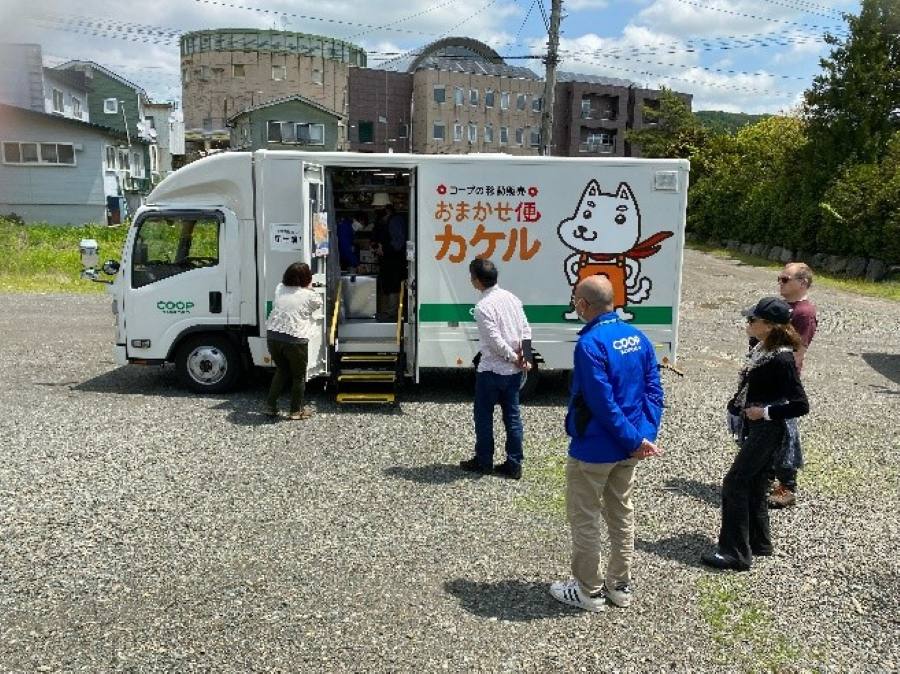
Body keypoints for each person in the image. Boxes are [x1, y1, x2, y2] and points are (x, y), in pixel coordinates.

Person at [549, 275, 664, 613]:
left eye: (575, 301)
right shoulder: (638, 337)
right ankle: (620, 586)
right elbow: (654, 391)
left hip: (596, 447)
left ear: (583, 305)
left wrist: (634, 439)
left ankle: (589, 591)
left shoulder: (590, 344)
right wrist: (644, 437)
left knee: (585, 518)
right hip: (630, 448)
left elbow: (602, 403)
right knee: (621, 514)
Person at [701, 297, 809, 571]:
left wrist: (766, 412)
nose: (747, 323)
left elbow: (801, 404)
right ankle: (759, 542)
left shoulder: (782, 358)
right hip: (756, 428)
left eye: (752, 320)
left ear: (770, 326)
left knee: (735, 483)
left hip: (768, 430)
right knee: (756, 483)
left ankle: (734, 553)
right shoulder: (762, 349)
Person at [459, 258, 532, 480]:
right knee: (512, 416)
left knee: (483, 416)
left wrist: (512, 357)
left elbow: (494, 341)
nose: (471, 280)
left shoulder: (483, 307)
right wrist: (525, 357)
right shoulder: (512, 298)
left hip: (491, 369)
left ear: (478, 281)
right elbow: (526, 329)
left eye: (472, 276)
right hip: (513, 373)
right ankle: (514, 463)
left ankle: (484, 461)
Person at [768, 262, 818, 508]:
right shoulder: (786, 308)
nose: (780, 282)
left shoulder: (803, 313)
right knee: (766, 431)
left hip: (783, 383)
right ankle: (767, 478)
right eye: (779, 278)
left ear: (803, 283)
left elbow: (799, 350)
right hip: (768, 377)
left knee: (786, 435)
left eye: (785, 279)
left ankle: (787, 487)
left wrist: (780, 377)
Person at [263, 262, 323, 420]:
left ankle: (270, 406)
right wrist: (310, 288)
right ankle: (296, 411)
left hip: (273, 336)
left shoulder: (279, 289)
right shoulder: (309, 295)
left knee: (281, 371)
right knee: (298, 377)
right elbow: (318, 304)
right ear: (307, 278)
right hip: (295, 340)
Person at [373, 203, 408, 321]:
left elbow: (398, 242)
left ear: (387, 209)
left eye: (378, 207)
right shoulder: (386, 221)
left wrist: (384, 249)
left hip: (395, 262)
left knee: (394, 286)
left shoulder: (395, 221)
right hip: (390, 261)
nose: (376, 210)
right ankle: (390, 313)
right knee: (390, 286)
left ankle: (392, 314)